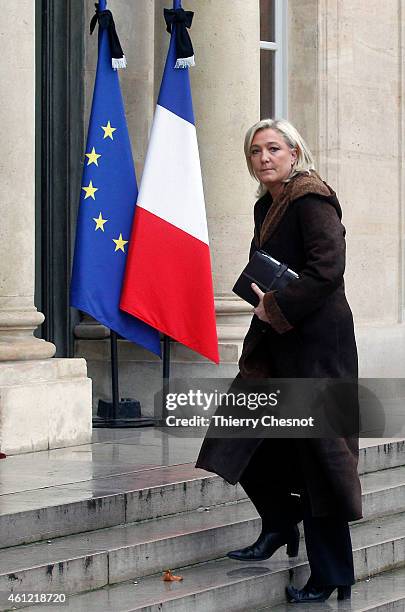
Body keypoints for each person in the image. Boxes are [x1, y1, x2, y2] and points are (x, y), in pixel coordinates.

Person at [195, 118, 362, 604]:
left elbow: (327, 270)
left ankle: (332, 574)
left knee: (321, 460)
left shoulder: (311, 199)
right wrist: (262, 300)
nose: (263, 158)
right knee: (241, 437)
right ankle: (280, 521)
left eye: (273, 149)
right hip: (275, 347)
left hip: (317, 350)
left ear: (294, 153)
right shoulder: (266, 205)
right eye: (255, 151)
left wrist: (277, 305)